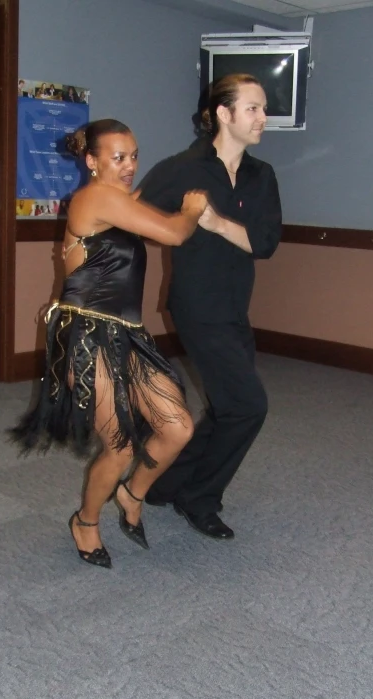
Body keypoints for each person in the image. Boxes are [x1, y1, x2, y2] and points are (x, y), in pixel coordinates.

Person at [10, 118, 210, 569]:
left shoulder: (116, 202)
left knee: (177, 428)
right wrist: (194, 208)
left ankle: (132, 490)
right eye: (117, 157)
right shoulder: (97, 196)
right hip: (87, 336)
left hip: (127, 333)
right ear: (92, 161)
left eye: (133, 155)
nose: (129, 165)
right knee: (119, 444)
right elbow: (175, 232)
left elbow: (91, 248)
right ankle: (85, 520)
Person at [138, 73, 282, 540]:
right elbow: (134, 215)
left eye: (264, 109)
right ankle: (198, 498)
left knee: (226, 408)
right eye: (254, 108)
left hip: (236, 305)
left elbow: (264, 242)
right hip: (197, 305)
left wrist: (217, 223)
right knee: (247, 406)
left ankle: (163, 483)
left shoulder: (262, 175)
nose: (264, 118)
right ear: (223, 113)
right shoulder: (182, 168)